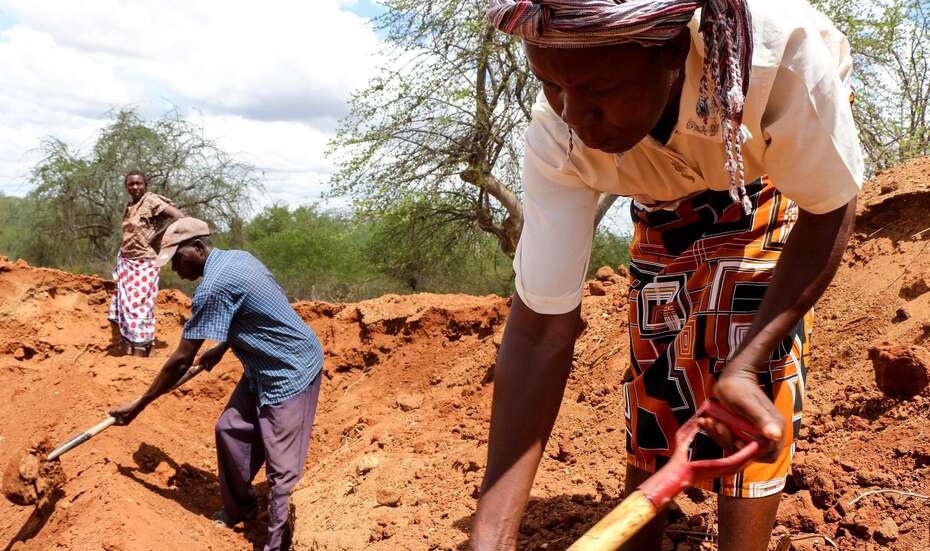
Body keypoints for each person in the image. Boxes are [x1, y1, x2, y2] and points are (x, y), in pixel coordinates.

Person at [473, 1, 863, 550]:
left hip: (765, 157)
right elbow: (541, 326)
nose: (573, 115)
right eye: (550, 85)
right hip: (662, 186)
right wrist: (491, 537)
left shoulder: (777, 60)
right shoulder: (558, 134)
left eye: (599, 90)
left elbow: (829, 208)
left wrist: (746, 363)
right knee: (657, 352)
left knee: (743, 320)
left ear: (674, 52)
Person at [108, 217, 325, 551]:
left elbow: (181, 359)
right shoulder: (239, 258)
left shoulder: (213, 287)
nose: (175, 270)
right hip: (260, 368)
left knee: (282, 476)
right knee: (230, 430)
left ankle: (278, 545)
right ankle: (242, 508)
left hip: (290, 371)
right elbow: (255, 307)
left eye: (177, 260)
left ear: (198, 247)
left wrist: (141, 403)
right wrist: (223, 346)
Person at [108, 170, 184, 357]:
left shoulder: (151, 201)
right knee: (126, 307)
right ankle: (131, 347)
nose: (135, 187)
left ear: (145, 185)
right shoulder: (130, 206)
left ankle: (140, 350)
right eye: (131, 184)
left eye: (139, 183)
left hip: (145, 262)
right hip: (127, 262)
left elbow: (180, 217)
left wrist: (160, 237)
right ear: (126, 187)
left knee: (140, 306)